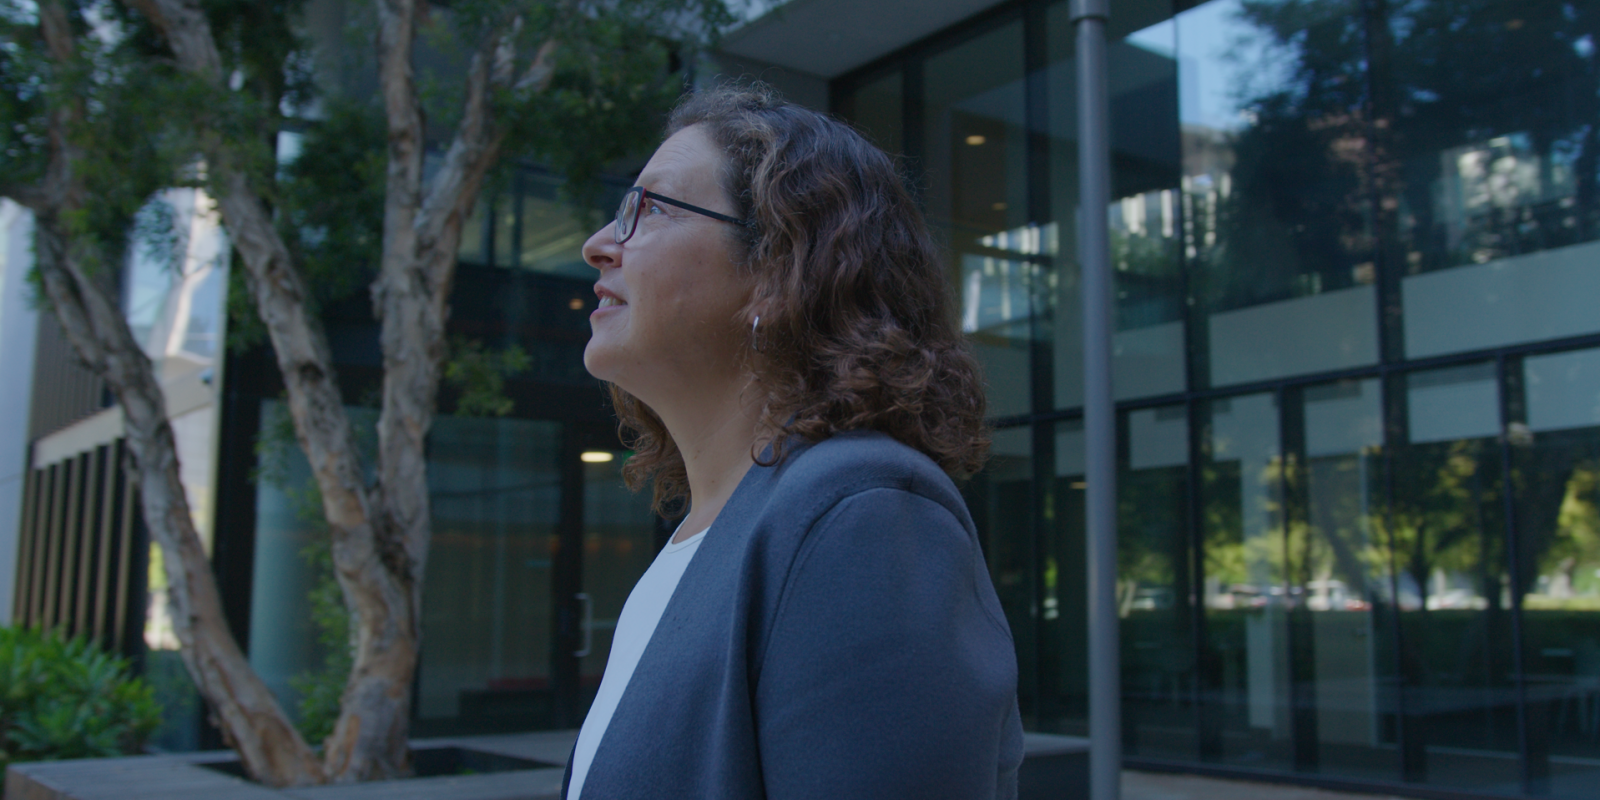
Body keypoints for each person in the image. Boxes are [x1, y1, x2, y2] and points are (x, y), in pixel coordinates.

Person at [564, 83, 1023, 800]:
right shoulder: (699, 544)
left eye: (645, 210)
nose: (598, 246)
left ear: (779, 269)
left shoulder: (860, 516)